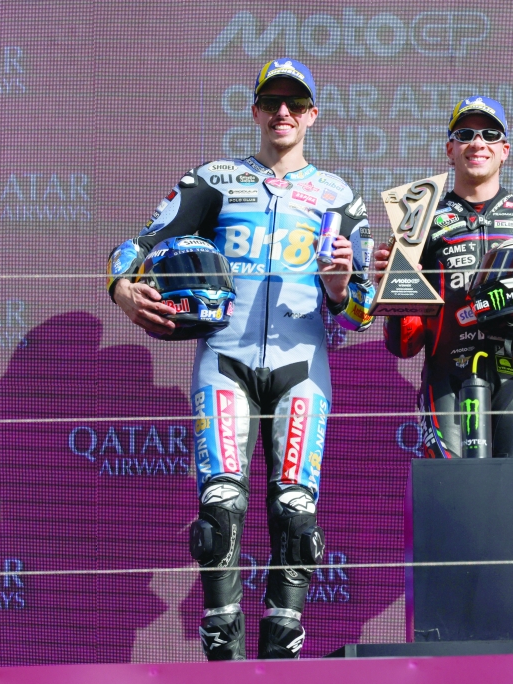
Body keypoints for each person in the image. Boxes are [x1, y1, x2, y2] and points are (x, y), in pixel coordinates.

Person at [106, 59, 375, 660]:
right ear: (255, 111)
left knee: (297, 516)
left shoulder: (338, 196)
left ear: (312, 115)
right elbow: (139, 244)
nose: (282, 112)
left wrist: (339, 289)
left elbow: (359, 313)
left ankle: (285, 652)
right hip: (223, 361)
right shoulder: (215, 180)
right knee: (219, 510)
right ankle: (220, 657)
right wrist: (121, 287)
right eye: (271, 102)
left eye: (294, 103)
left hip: (304, 364)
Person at [373, 96, 513, 458]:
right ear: (450, 149)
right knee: (455, 501)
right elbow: (404, 346)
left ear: (505, 149)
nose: (478, 142)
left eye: (490, 134)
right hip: (447, 378)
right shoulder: (419, 219)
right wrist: (395, 289)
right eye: (466, 134)